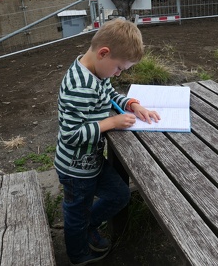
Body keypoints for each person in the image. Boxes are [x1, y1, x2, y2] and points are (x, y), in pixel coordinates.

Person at [54, 18, 160, 266]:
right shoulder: (79, 87)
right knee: (76, 212)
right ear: (104, 53)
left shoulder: (97, 73)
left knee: (119, 194)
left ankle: (89, 225)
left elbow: (110, 94)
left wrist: (132, 104)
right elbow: (71, 134)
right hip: (75, 169)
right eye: (120, 68)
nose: (119, 73)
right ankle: (78, 254)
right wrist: (110, 123)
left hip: (91, 162)